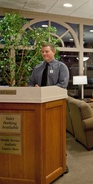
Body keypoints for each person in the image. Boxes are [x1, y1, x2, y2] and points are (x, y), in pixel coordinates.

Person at [28, 43, 70, 174]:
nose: (44, 54)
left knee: (56, 134)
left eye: (46, 51)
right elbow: (30, 83)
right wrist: (33, 89)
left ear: (53, 52)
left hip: (55, 106)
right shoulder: (37, 68)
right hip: (39, 106)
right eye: (42, 52)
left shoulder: (61, 67)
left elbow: (62, 85)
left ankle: (61, 162)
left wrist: (44, 91)